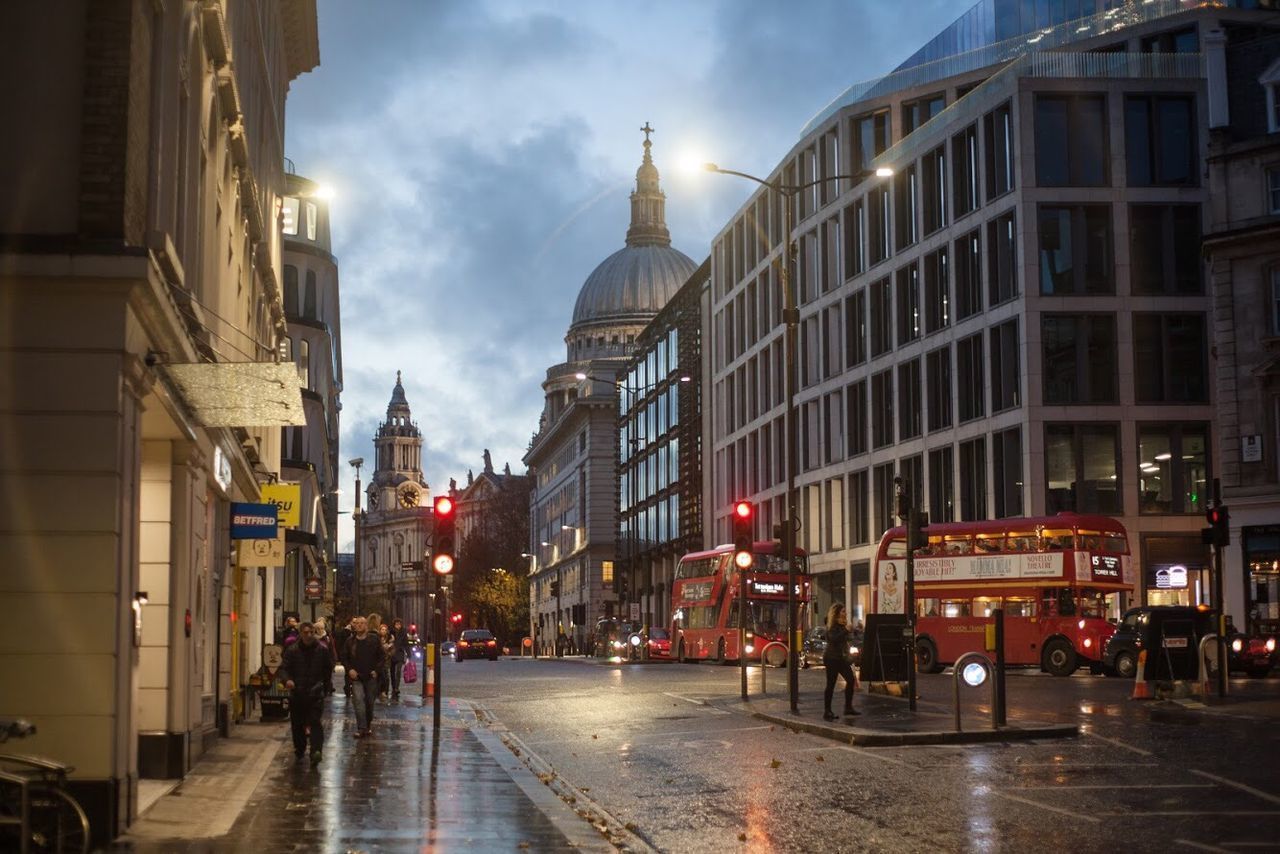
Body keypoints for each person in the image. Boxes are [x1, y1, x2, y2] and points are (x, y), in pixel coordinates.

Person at [279, 621, 334, 763]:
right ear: (300, 633)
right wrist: (287, 681)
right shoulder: (292, 650)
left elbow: (328, 669)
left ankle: (316, 750)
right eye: (305, 632)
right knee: (297, 724)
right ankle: (300, 748)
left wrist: (326, 687)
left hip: (315, 692)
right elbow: (284, 669)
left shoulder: (322, 650)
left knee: (315, 722)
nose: (309, 635)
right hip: (297, 693)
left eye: (311, 632)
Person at [343, 616, 384, 738]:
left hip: (370, 677)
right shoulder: (350, 641)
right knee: (359, 701)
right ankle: (361, 727)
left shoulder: (374, 640)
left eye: (362, 623)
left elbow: (382, 656)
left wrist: (377, 670)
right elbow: (344, 657)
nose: (359, 625)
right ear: (354, 626)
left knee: (369, 703)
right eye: (357, 623)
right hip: (357, 678)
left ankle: (368, 725)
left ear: (366, 625)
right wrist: (350, 669)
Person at [822, 603, 860, 721]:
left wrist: (853, 632)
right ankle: (827, 711)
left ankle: (848, 707)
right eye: (843, 611)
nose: (845, 613)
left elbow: (846, 639)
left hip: (842, 658)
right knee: (831, 684)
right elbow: (833, 639)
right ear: (837, 613)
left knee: (851, 679)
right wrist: (845, 630)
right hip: (832, 658)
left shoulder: (843, 625)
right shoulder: (831, 625)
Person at [389, 618, 408, 701]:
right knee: (392, 671)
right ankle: (393, 687)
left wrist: (408, 654)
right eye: (396, 624)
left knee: (398, 670)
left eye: (399, 624)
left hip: (400, 653)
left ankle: (396, 687)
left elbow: (406, 644)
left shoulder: (403, 633)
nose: (398, 626)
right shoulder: (390, 632)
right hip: (392, 653)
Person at [333, 618, 353, 697]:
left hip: (355, 657)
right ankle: (348, 689)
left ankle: (350, 688)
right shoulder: (344, 632)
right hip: (347, 656)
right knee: (348, 673)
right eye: (354, 622)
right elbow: (340, 644)